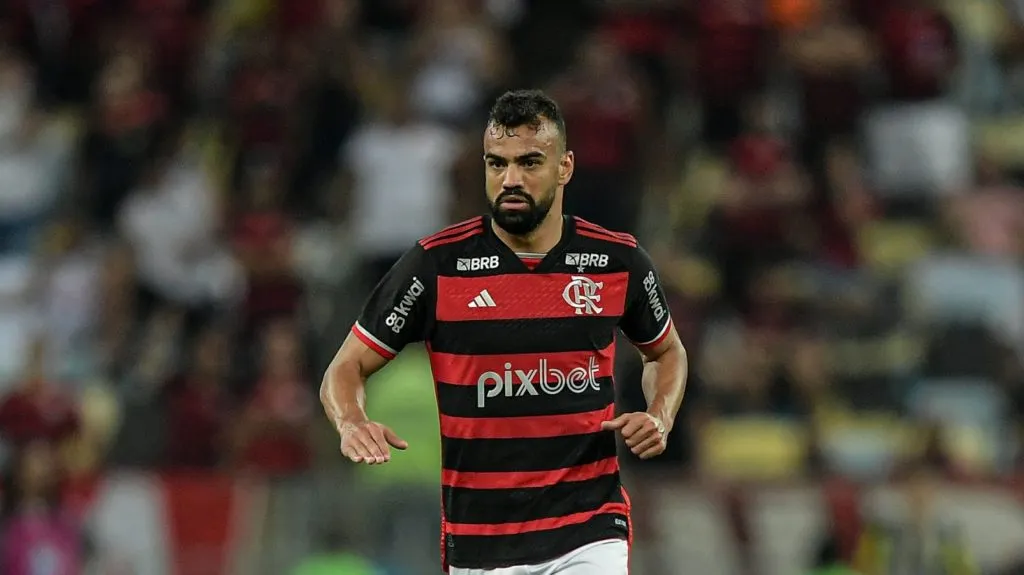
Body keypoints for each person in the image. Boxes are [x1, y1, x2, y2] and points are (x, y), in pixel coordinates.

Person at [320, 89, 688, 574]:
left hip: (589, 531)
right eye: (497, 164)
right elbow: (345, 366)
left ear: (565, 167)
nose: (510, 179)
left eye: (530, 162)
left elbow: (665, 353)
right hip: (481, 545)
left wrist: (659, 413)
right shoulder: (436, 265)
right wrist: (351, 422)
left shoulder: (616, 262)